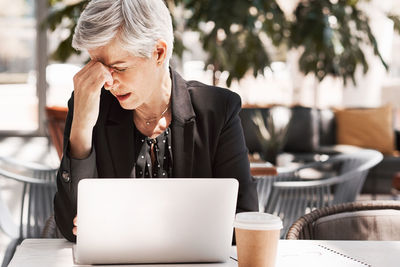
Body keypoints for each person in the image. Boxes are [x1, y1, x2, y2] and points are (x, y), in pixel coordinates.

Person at [54, 0, 258, 242]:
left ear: (158, 53)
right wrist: (81, 128)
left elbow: (244, 220)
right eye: (98, 67)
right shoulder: (90, 105)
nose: (107, 82)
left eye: (118, 67)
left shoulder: (218, 111)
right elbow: (71, 228)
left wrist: (131, 226)